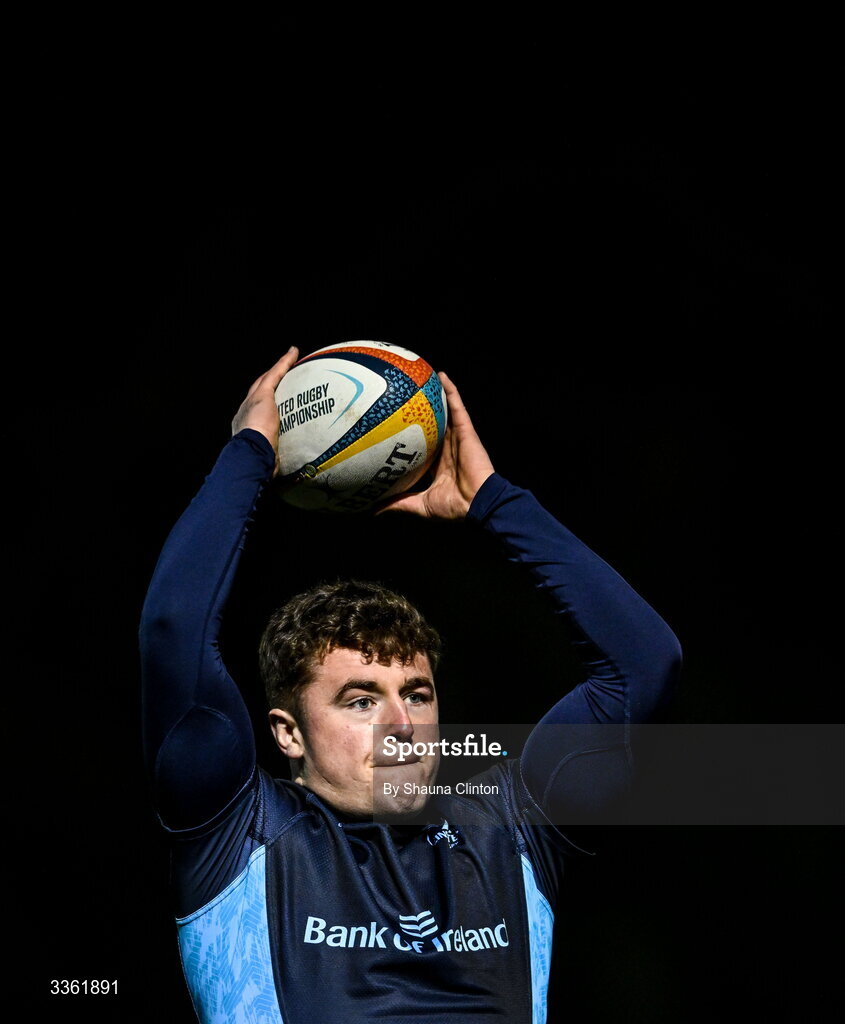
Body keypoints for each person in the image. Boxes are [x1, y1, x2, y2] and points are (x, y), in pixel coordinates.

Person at [139, 346, 681, 1023]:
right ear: (286, 732)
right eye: (360, 699)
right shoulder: (237, 830)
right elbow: (173, 630)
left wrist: (494, 502)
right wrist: (248, 452)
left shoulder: (510, 825)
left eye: (416, 695)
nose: (401, 723)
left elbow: (644, 663)